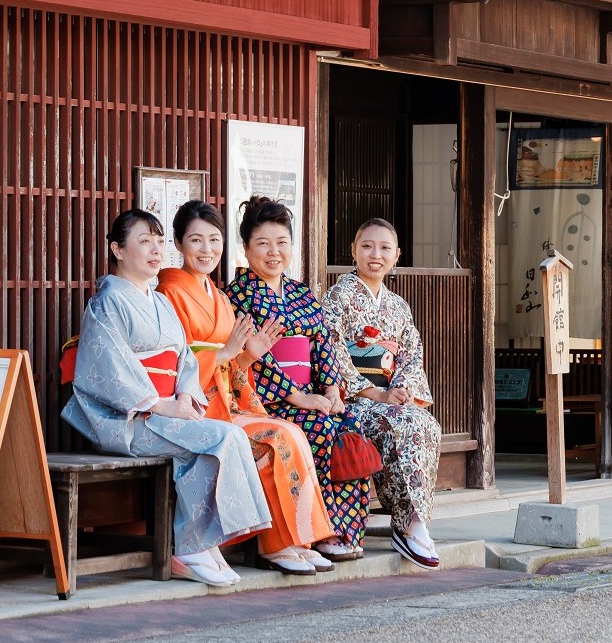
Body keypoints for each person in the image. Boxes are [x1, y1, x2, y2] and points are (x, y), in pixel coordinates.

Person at [63, 209, 272, 586]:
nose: (156, 249)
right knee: (219, 438)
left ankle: (203, 542)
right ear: (118, 250)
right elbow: (110, 367)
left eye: (159, 242)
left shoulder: (159, 302)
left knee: (229, 436)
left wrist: (187, 399)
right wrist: (160, 404)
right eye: (145, 241)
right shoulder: (107, 303)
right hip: (128, 419)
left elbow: (185, 361)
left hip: (168, 411)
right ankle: (189, 547)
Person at [157, 200, 336, 575]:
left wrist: (245, 356)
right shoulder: (171, 293)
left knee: (291, 433)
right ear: (177, 243)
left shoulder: (218, 297)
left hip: (223, 396)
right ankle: (279, 543)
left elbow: (232, 361)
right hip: (195, 406)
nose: (207, 250)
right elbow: (174, 364)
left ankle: (295, 540)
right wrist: (227, 353)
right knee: (280, 435)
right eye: (196, 240)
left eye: (213, 240)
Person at [225, 196, 369, 561]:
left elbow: (324, 343)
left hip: (313, 394)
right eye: (263, 243)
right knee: (318, 430)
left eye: (281, 243)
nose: (273, 252)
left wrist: (332, 390)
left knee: (349, 428)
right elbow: (257, 358)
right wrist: (297, 397)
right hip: (268, 399)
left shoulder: (302, 293)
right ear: (245, 248)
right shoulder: (237, 295)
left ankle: (344, 527)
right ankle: (317, 532)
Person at [322, 219, 444, 569]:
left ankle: (414, 523)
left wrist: (401, 389)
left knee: (425, 424)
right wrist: (370, 391)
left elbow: (410, 353)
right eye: (367, 246)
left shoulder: (398, 305)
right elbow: (330, 346)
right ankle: (409, 526)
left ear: (397, 255)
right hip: (352, 399)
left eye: (384, 248)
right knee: (400, 425)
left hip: (388, 395)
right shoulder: (339, 294)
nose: (375, 255)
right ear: (353, 251)